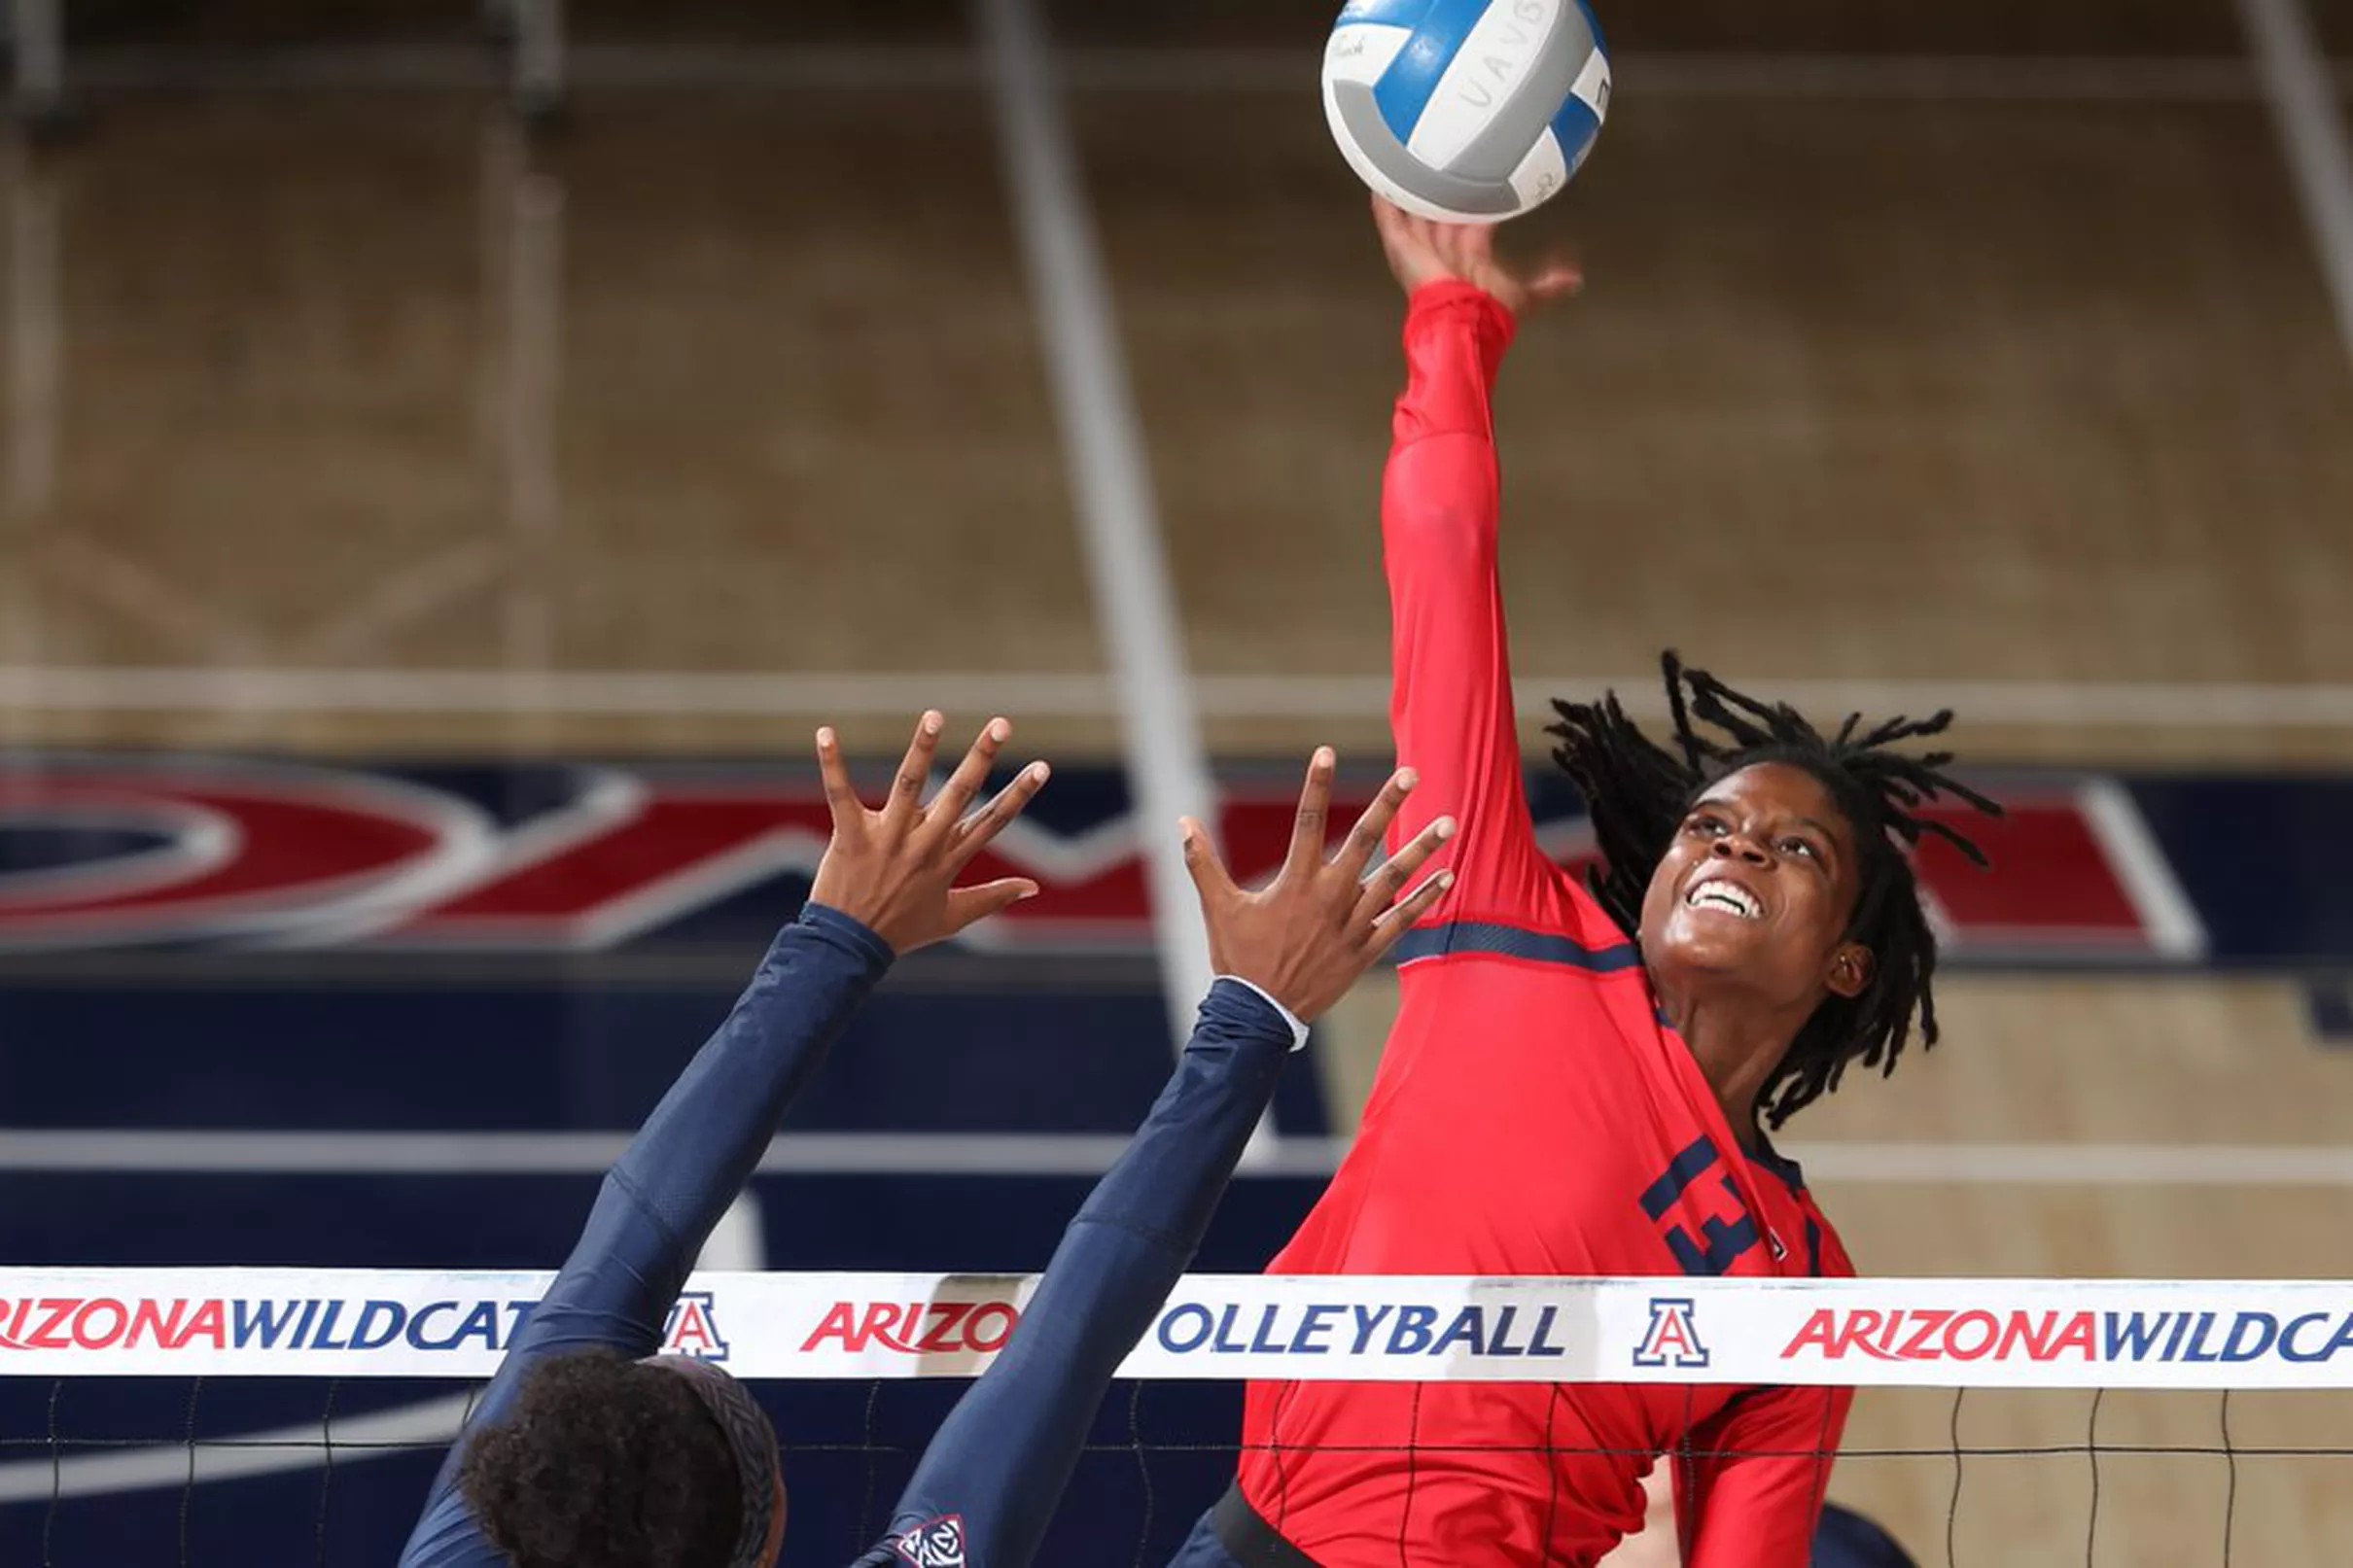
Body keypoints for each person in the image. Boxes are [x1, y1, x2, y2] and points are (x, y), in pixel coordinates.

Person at [1170, 200, 2002, 1568]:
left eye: (1798, 851)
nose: (1736, 846)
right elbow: (1440, 559)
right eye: (1716, 825)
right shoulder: (1509, 925)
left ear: (1847, 962)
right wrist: (1453, 326)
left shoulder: (1793, 1272)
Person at [399, 710, 1458, 1568]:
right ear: (759, 1542)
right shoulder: (466, 1541)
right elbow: (1057, 1345)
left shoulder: (490, 1537)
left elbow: (1065, 1342)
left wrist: (838, 937)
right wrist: (1247, 1018)